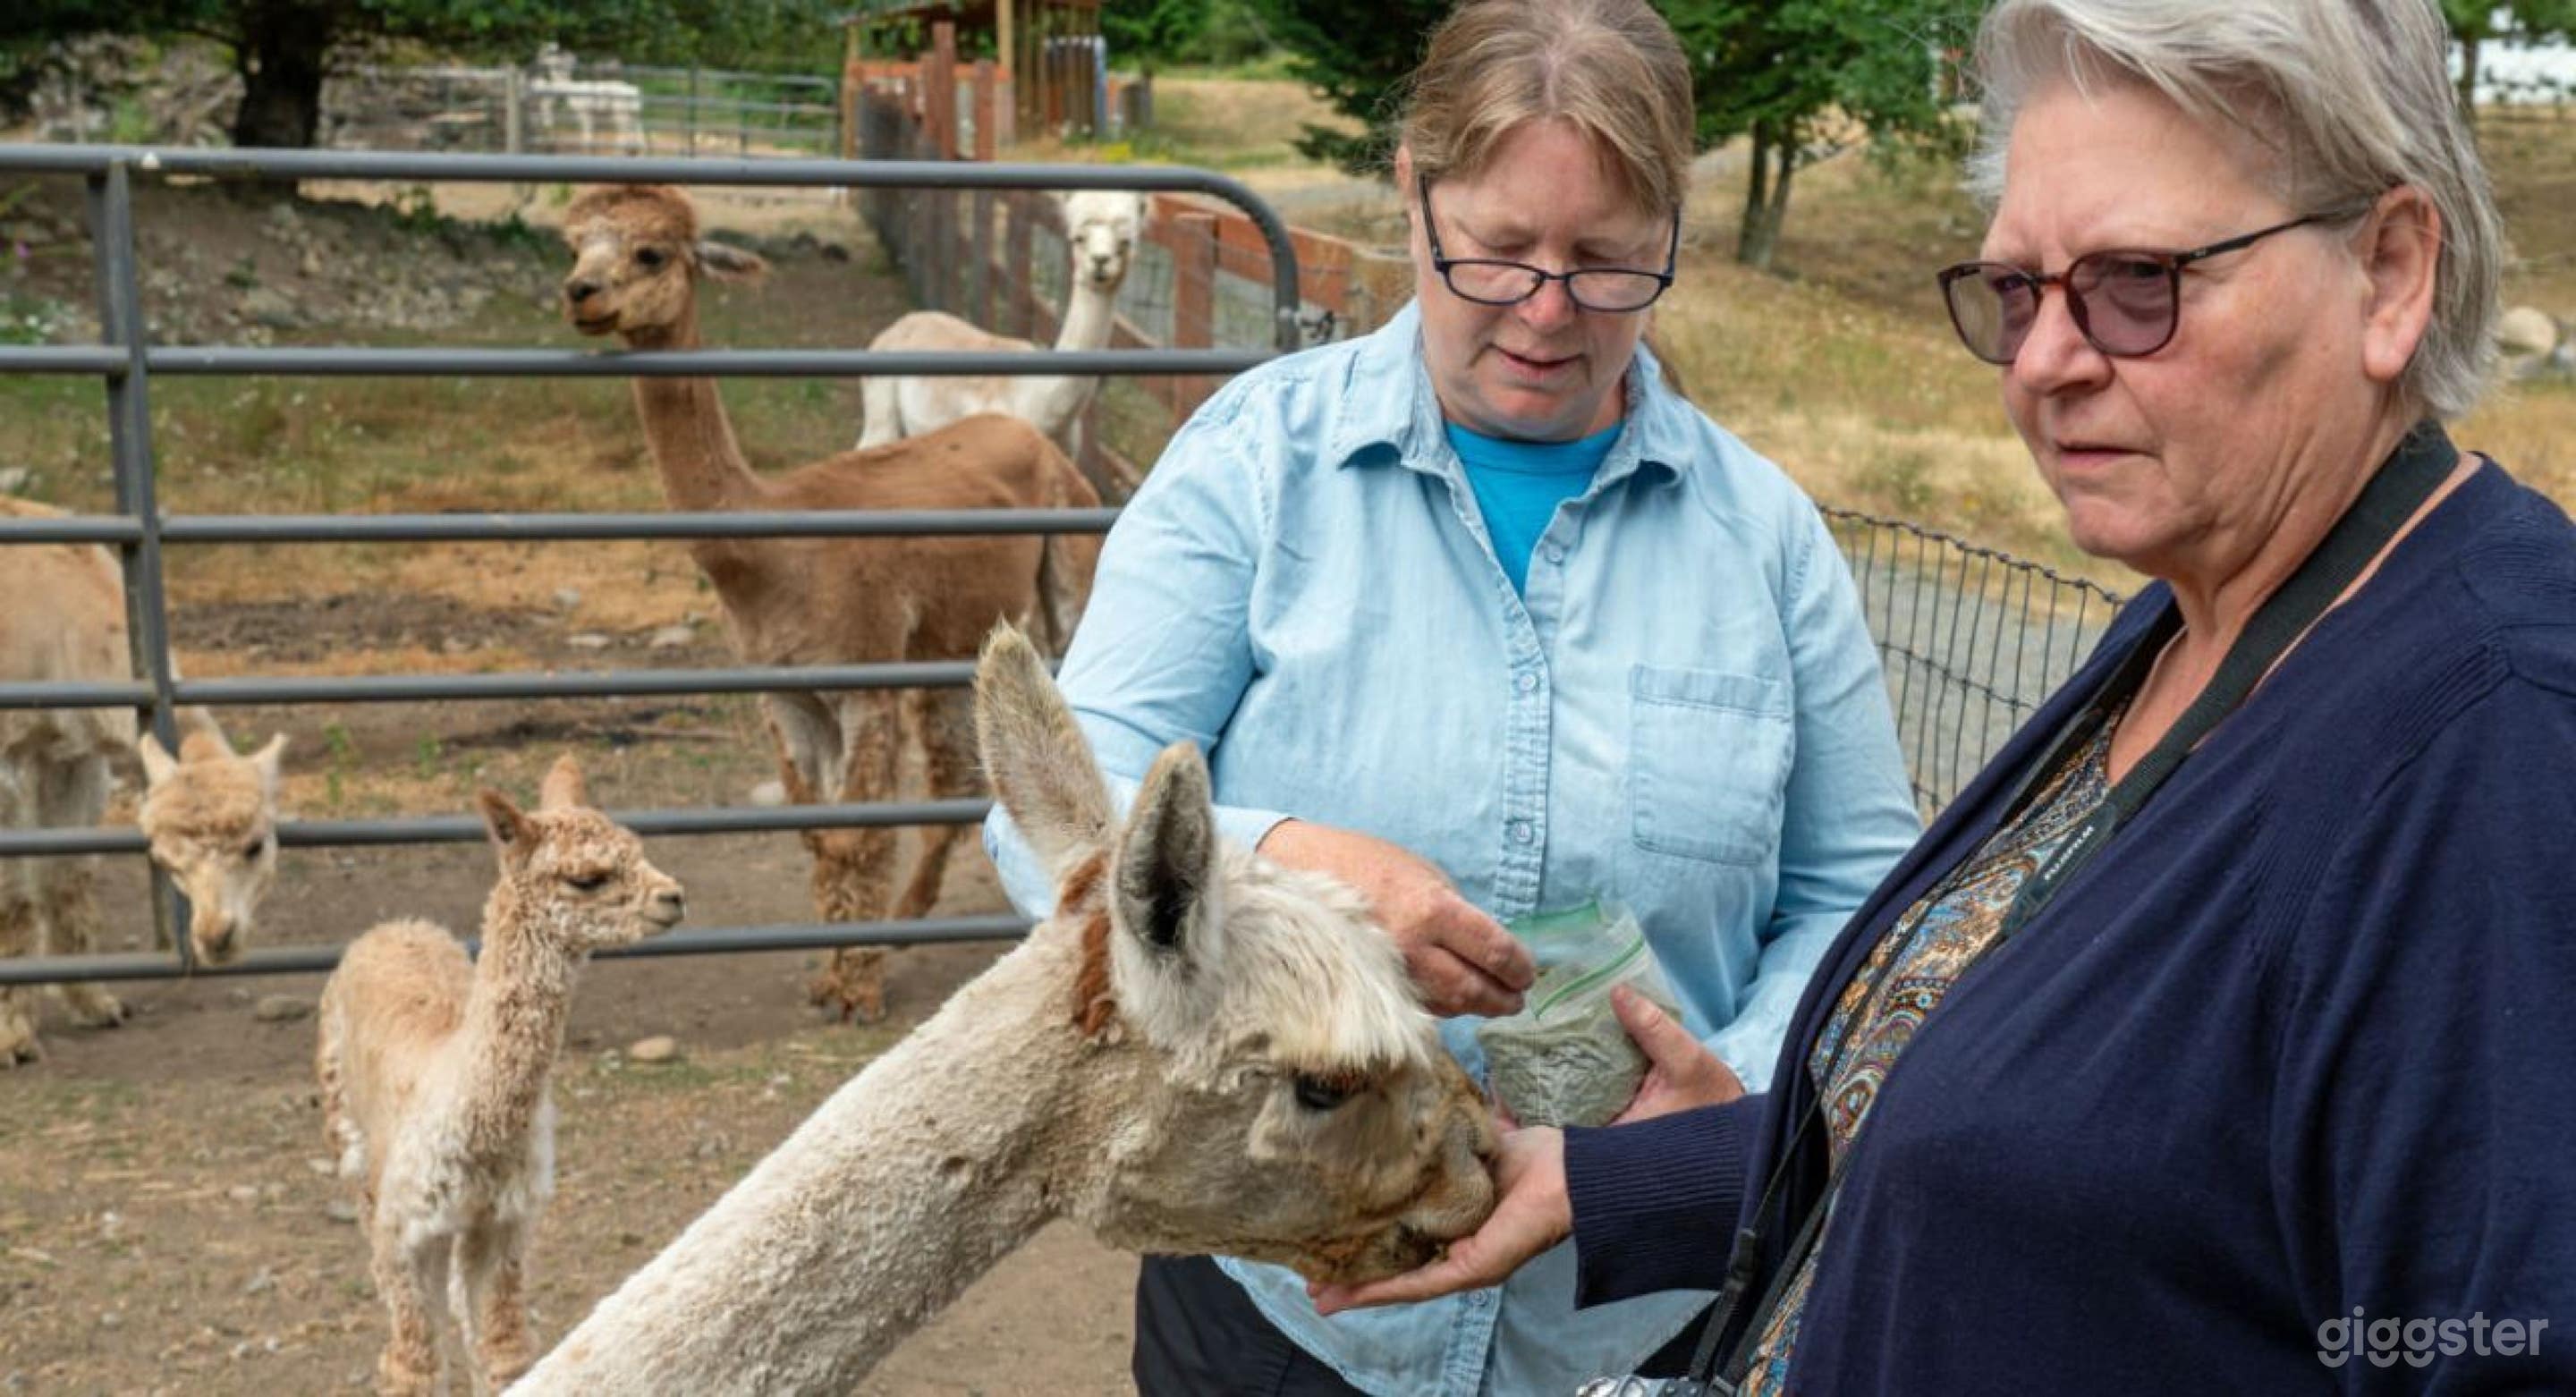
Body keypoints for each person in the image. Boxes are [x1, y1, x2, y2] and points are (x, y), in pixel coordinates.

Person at [1314, 0, 2576, 1391]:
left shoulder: (2495, 745)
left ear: (2390, 273)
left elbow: (2498, 1336)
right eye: (2019, 290)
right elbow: (2068, 1156)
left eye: (2138, 281)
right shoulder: (2201, 617)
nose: (2043, 363)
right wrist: (1619, 1182)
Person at [980, 0, 1922, 1391]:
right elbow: (1053, 821)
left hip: (1642, 1318)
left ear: (1672, 237)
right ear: (1413, 197)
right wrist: (1300, 870)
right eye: (1496, 252)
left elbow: (1861, 888)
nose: (1547, 312)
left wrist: (1725, 1110)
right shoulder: (1256, 467)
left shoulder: (1767, 540)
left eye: (1606, 264)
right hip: (1289, 1300)